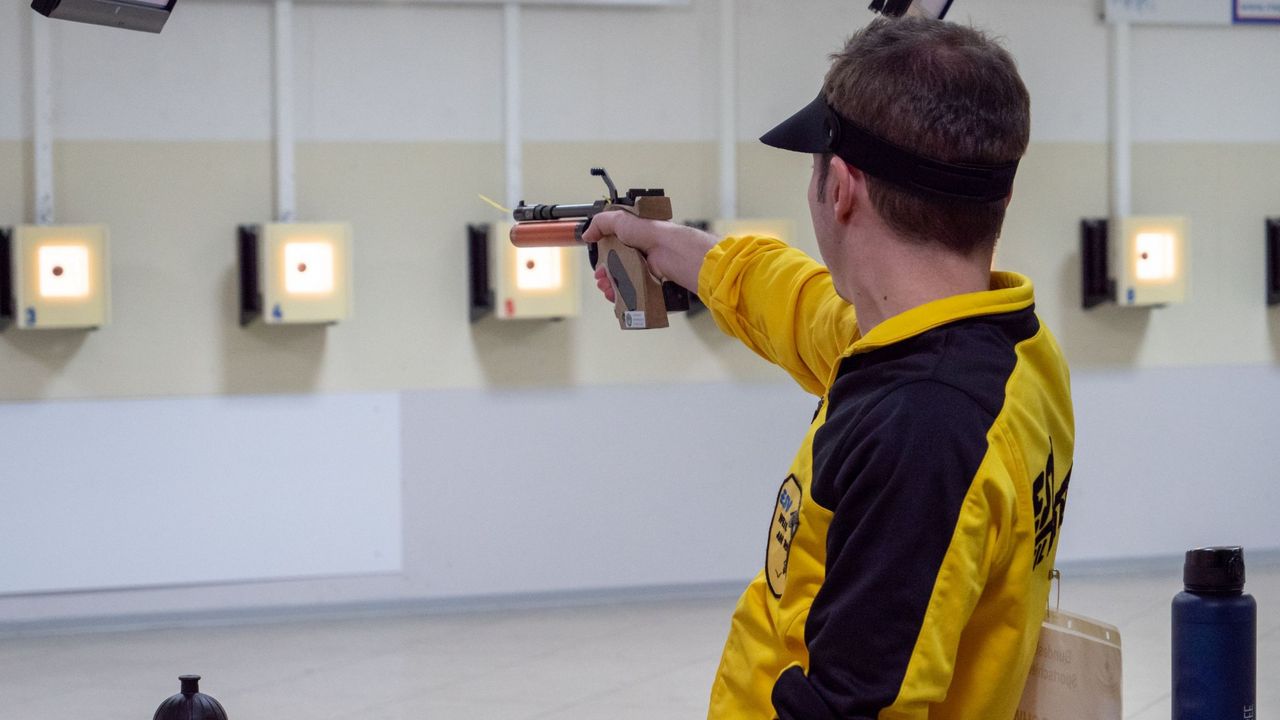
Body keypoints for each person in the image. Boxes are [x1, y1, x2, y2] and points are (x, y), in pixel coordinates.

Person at [583, 16, 1074, 720]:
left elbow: (856, 707)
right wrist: (663, 244)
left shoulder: (922, 432)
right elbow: (796, 301)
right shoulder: (1004, 348)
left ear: (840, 187)